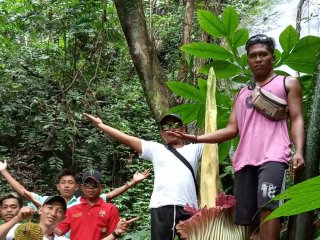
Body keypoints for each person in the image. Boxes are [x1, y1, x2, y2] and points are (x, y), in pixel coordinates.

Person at [169, 34, 305, 240]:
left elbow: (296, 119)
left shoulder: (287, 83)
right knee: (249, 222)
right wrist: (195, 138)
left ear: (273, 57)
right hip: (244, 162)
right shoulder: (241, 94)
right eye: (253, 56)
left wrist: (299, 150)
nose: (258, 59)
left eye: (263, 54)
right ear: (248, 61)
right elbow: (232, 130)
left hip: (273, 157)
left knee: (269, 209)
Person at [84, 112, 203, 240]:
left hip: (189, 207)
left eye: (175, 125)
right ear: (161, 133)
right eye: (165, 127)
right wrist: (101, 125)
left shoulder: (195, 148)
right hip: (162, 206)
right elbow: (125, 138)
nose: (171, 129)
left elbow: (222, 136)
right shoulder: (156, 149)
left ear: (184, 128)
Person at [0, 156, 149, 239]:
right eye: (63, 183)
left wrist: (132, 183)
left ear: (76, 187)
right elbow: (23, 191)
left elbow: (111, 194)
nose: (53, 213)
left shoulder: (83, 202)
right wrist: (4, 171)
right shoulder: (46, 202)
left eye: (70, 183)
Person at [54, 170, 137, 240]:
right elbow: (59, 231)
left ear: (101, 187)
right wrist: (45, 224)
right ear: (82, 187)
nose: (90, 187)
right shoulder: (72, 210)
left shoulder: (111, 209)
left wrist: (120, 229)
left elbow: (114, 234)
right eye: (87, 184)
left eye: (94, 184)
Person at [0, 195, 67, 240]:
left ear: (63, 218)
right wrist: (18, 218)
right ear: (40, 210)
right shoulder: (19, 228)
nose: (53, 213)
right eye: (50, 208)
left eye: (59, 211)